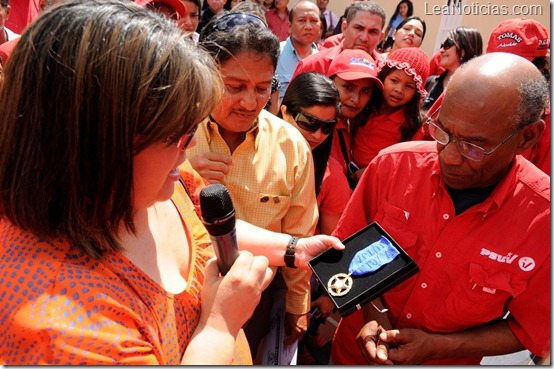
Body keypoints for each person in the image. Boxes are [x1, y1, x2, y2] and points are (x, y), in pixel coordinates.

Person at [0, 0, 346, 364]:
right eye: (176, 135)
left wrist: (293, 249)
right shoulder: (60, 327)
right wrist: (219, 326)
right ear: (95, 140)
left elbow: (201, 221)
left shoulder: (153, 182)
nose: (193, 143)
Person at [331, 52, 550, 365]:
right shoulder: (392, 167)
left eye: (473, 145)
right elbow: (344, 255)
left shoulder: (543, 221)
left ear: (527, 137)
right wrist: (373, 315)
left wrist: (440, 347)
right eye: (443, 132)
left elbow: (531, 331)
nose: (448, 156)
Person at [191, 12, 319, 360]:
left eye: (263, 89)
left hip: (258, 299)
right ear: (205, 73)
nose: (249, 102)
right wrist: (179, 174)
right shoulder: (175, 134)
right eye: (235, 87)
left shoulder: (290, 145)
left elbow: (299, 229)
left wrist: (297, 304)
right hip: (184, 295)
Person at [278, 72, 351, 364]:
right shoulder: (250, 154)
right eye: (309, 123)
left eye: (327, 127)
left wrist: (330, 297)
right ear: (284, 111)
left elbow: (335, 243)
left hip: (297, 283)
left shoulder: (331, 175)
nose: (317, 135)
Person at [486, 18, 550, 176]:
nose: (504, 73)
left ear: (540, 67)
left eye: (516, 65)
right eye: (496, 62)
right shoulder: (466, 94)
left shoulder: (546, 121)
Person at [352, 47, 429, 170]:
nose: (399, 90)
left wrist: (370, 172)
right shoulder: (365, 104)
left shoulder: (411, 125)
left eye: (409, 86)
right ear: (383, 77)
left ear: (416, 93)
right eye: (394, 80)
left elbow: (403, 163)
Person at [326, 48, 383, 189]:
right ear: (329, 82)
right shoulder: (320, 127)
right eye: (348, 87)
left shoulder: (355, 122)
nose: (356, 100)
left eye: (365, 91)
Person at [291, 1, 386, 81]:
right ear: (344, 28)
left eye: (373, 32)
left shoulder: (386, 72)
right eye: (359, 28)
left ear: (381, 37)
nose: (364, 38)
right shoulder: (313, 65)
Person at [422, 26, 483, 111]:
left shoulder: (477, 92)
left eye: (448, 44)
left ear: (464, 50)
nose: (441, 50)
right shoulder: (430, 83)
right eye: (442, 45)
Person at [275, 0, 320, 104]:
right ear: (289, 26)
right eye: (302, 20)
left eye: (313, 20)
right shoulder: (274, 54)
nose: (308, 26)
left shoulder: (324, 60)